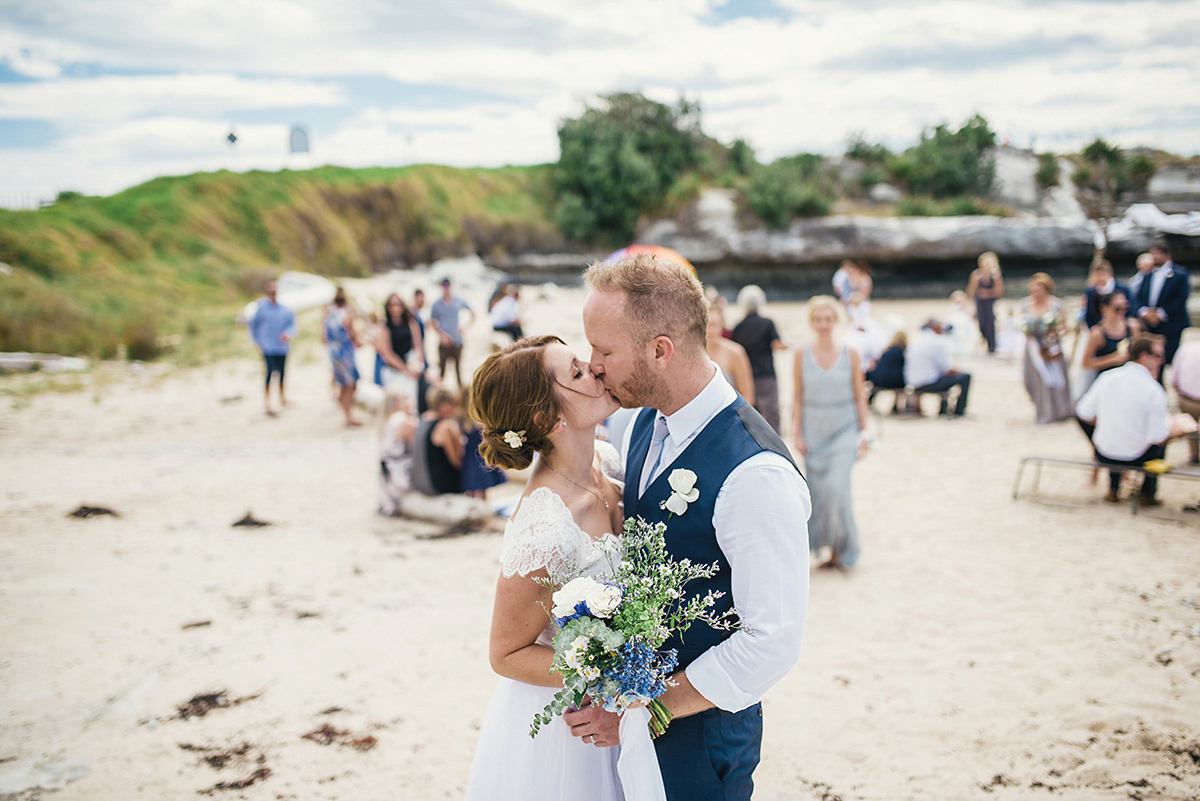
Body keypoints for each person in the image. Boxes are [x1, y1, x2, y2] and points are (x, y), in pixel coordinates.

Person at [578, 253, 810, 801]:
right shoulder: (638, 423)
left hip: (701, 743)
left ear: (660, 350)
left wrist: (648, 708)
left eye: (604, 350)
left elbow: (771, 642)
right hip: (630, 720)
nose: (593, 366)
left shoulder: (756, 474)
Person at [462, 335, 630, 800]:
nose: (596, 369)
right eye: (577, 372)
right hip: (571, 731)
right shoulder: (547, 527)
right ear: (547, 419)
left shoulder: (607, 461)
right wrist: (608, 672)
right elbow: (506, 652)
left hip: (624, 716)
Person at [792, 296, 869, 570]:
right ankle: (830, 551)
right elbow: (797, 398)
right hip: (813, 432)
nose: (823, 324)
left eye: (828, 319)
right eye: (817, 319)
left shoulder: (852, 354)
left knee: (838, 489)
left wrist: (865, 434)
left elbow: (860, 397)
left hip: (845, 430)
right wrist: (796, 434)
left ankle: (847, 549)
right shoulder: (801, 353)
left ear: (836, 321)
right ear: (811, 322)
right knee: (819, 494)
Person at [1076, 334, 1194, 505]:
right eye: (1159, 356)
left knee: (1119, 431)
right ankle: (1147, 493)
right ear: (1144, 356)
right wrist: (1177, 430)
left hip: (1103, 453)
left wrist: (1108, 420)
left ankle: (1113, 488)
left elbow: (1084, 413)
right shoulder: (1153, 390)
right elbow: (1157, 437)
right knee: (1162, 438)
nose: (1162, 361)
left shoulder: (1107, 378)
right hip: (1136, 457)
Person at [730, 284, 786, 434]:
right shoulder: (767, 323)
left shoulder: (738, 327)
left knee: (751, 414)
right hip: (766, 374)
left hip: (747, 375)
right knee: (771, 414)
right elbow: (777, 344)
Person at [1019, 273, 1073, 424]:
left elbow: (1065, 326)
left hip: (1052, 347)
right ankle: (1043, 410)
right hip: (1033, 349)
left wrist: (1053, 333)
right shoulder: (1024, 304)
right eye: (1033, 288)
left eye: (1039, 288)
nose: (1036, 291)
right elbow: (1021, 324)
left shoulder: (1057, 305)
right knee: (1034, 380)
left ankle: (1059, 411)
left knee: (1057, 379)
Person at [1131, 241, 1191, 373]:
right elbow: (1137, 297)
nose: (1154, 257)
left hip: (1171, 324)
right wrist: (1145, 312)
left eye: (1157, 253)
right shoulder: (1147, 275)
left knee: (1170, 358)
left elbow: (1181, 298)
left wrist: (1160, 313)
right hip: (1149, 325)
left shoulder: (1180, 274)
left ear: (1167, 255)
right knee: (1150, 359)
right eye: (1153, 253)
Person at [247, 279, 296, 416]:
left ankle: (282, 398)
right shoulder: (261, 308)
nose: (273, 292)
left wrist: (288, 333)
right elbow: (253, 325)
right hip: (268, 346)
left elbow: (291, 324)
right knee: (269, 373)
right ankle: (267, 402)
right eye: (271, 290)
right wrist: (256, 340)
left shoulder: (284, 308)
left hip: (282, 346)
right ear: (267, 292)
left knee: (282, 373)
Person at [904, 320, 971, 417]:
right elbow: (947, 369)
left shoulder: (917, 339)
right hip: (928, 382)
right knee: (966, 376)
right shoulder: (936, 342)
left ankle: (946, 407)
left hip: (912, 381)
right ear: (935, 327)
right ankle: (959, 411)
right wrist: (960, 371)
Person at [1079, 292, 1140, 397]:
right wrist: (1113, 359)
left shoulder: (1132, 326)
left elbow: (1139, 353)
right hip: (1106, 384)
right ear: (1104, 308)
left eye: (1125, 307)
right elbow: (1086, 363)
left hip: (1129, 382)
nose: (1122, 312)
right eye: (1117, 308)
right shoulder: (1097, 333)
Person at [373, 293, 424, 405]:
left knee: (411, 401)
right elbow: (387, 353)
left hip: (410, 365)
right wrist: (405, 369)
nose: (395, 307)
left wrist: (418, 365)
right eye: (392, 305)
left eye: (398, 304)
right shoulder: (385, 327)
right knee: (395, 402)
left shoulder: (410, 323)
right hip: (393, 370)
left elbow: (418, 345)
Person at [322, 285, 361, 427]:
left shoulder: (329, 311)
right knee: (350, 384)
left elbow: (324, 335)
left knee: (344, 383)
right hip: (345, 353)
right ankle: (348, 415)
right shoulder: (346, 313)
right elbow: (352, 333)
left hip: (334, 352)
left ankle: (345, 409)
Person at [378, 390, 418, 516]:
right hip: (400, 476)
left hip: (389, 474)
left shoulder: (389, 420)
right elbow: (416, 450)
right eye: (406, 398)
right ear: (397, 402)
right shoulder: (403, 421)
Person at [430, 277, 475, 388]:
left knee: (458, 370)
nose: (446, 288)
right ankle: (440, 393)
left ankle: (460, 395)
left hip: (457, 340)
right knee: (442, 370)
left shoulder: (458, 301)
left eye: (448, 285)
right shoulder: (436, 304)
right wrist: (441, 335)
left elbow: (473, 313)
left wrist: (464, 327)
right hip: (444, 341)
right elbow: (432, 322)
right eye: (444, 286)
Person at [706, 303, 754, 404]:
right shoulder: (690, 354)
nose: (710, 330)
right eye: (706, 325)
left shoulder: (736, 352)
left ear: (722, 325)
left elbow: (748, 397)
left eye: (714, 325)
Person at [422, 386, 464, 495]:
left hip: (426, 477)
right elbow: (456, 462)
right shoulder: (445, 427)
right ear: (443, 406)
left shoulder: (424, 419)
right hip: (442, 484)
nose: (455, 409)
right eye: (453, 404)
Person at [966, 251, 1004, 353]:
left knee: (990, 323)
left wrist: (987, 293)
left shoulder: (995, 275)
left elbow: (999, 291)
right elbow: (971, 290)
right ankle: (984, 339)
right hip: (979, 302)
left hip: (990, 302)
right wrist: (968, 303)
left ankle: (992, 347)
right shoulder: (976, 274)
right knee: (981, 323)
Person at [1171, 338, 1200, 465]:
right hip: (1188, 397)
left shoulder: (1186, 348)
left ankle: (1194, 454)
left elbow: (1174, 377)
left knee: (1191, 427)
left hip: (1187, 399)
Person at [1081, 258, 1131, 330]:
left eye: (1102, 274)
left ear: (1109, 273)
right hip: (1099, 328)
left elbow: (1131, 309)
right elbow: (1089, 314)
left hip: (1121, 327)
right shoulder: (1091, 291)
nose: (1100, 278)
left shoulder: (1122, 288)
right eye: (1096, 275)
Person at [865, 331, 907, 413]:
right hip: (893, 380)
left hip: (878, 378)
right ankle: (896, 406)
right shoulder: (902, 351)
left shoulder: (886, 350)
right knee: (901, 380)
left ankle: (869, 401)